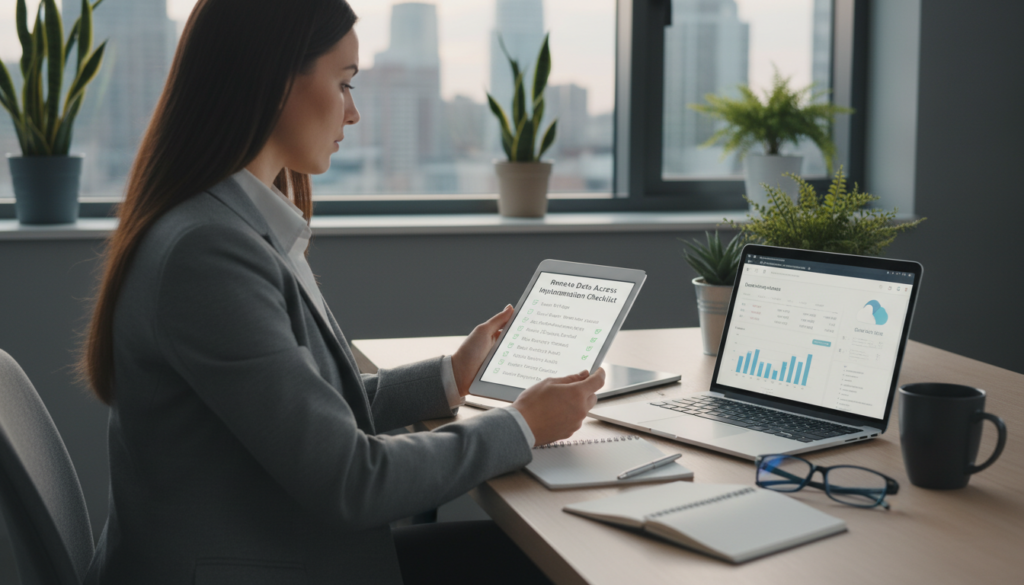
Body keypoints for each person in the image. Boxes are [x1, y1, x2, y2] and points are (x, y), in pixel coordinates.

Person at [77, 1, 604, 584]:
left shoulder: (231, 224)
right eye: (344, 83)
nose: (353, 114)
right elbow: (351, 478)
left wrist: (451, 376)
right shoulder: (208, 254)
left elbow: (306, 414)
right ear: (274, 81)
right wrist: (524, 425)